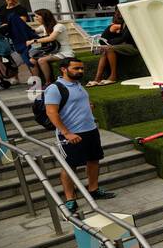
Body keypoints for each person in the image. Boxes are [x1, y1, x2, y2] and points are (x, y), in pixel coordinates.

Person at [43, 57, 113, 212]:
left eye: (81, 68)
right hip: (71, 134)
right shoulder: (55, 88)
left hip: (90, 130)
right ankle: (70, 199)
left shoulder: (78, 84)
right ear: (63, 69)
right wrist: (66, 133)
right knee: (69, 166)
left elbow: (73, 103)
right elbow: (51, 112)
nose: (80, 71)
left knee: (94, 160)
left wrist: (87, 107)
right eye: (76, 68)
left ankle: (93, 190)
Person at [89, 7, 136, 85]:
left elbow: (125, 37)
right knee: (105, 50)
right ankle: (97, 78)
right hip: (125, 44)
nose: (118, 13)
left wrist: (110, 43)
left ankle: (113, 76)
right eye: (118, 12)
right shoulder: (123, 22)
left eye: (119, 11)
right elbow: (122, 37)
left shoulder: (129, 21)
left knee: (109, 49)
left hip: (134, 46)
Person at [31, 9, 74, 86]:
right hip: (52, 52)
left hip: (64, 52)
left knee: (41, 60)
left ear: (44, 17)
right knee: (32, 60)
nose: (35, 18)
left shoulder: (59, 26)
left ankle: (48, 82)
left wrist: (34, 41)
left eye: (37, 16)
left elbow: (51, 38)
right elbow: (32, 31)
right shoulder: (43, 27)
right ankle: (36, 83)